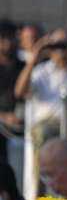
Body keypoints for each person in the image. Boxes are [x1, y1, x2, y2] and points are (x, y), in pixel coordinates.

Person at [14, 37, 67, 200]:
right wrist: (33, 58)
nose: (61, 52)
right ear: (49, 51)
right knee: (42, 137)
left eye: (64, 47)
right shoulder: (41, 71)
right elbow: (19, 92)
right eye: (56, 48)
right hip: (47, 124)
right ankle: (39, 195)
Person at [0, 22, 24, 165]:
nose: (7, 43)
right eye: (3, 38)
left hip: (21, 123)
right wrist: (3, 117)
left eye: (11, 38)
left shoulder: (23, 67)